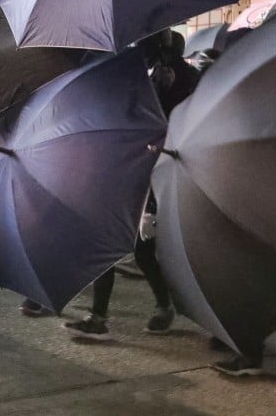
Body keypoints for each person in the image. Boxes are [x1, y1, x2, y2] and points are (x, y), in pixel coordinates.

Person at [64, 30, 200, 340]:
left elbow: (163, 125)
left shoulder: (177, 78)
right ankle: (107, 314)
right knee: (121, 243)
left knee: (134, 246)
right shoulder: (147, 75)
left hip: (154, 171)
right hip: (132, 167)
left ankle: (150, 308)